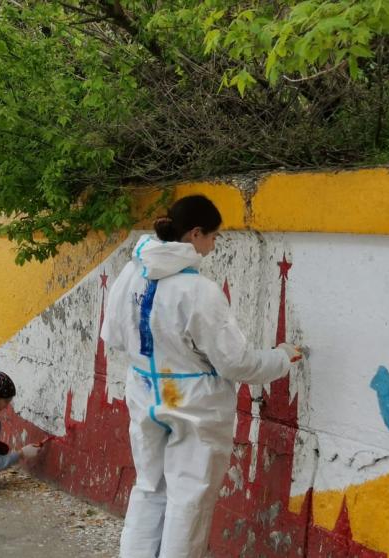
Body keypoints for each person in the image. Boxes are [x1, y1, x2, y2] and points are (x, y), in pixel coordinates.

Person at [100, 195, 304, 557]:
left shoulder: (132, 272)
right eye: (213, 236)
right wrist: (282, 358)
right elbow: (236, 364)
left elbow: (113, 336)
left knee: (148, 487)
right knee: (188, 500)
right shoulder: (199, 291)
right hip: (194, 405)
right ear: (195, 234)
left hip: (145, 394)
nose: (214, 244)